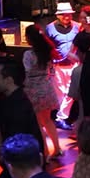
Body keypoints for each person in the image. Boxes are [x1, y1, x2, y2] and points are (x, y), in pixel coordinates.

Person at [23, 24, 62, 160]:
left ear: (29, 38)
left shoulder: (28, 54)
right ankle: (56, 148)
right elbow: (52, 71)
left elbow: (27, 72)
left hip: (33, 90)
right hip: (47, 89)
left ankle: (44, 151)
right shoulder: (47, 52)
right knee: (47, 120)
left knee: (38, 123)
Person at [45, 2, 82, 129]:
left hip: (73, 65)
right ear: (58, 15)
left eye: (69, 14)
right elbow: (47, 47)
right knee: (60, 93)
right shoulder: (50, 28)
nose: (67, 17)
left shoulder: (77, 26)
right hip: (58, 66)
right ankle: (60, 118)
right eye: (64, 14)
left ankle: (61, 117)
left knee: (70, 93)